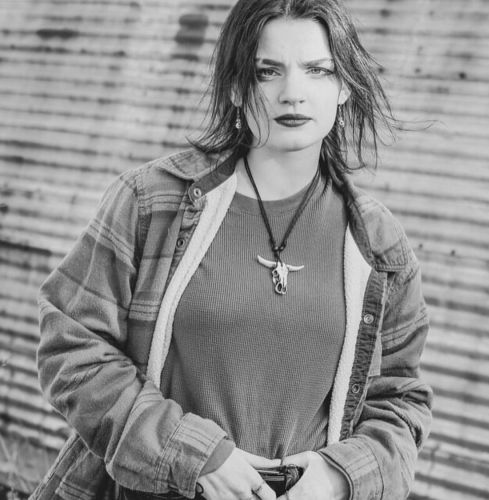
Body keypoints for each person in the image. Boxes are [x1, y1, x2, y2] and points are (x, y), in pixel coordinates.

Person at [31, 0, 432, 499]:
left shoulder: (378, 244)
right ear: (238, 87)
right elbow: (72, 347)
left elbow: (400, 401)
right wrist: (195, 455)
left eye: (317, 70)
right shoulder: (152, 202)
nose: (293, 93)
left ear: (344, 86)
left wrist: (338, 477)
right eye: (268, 71)